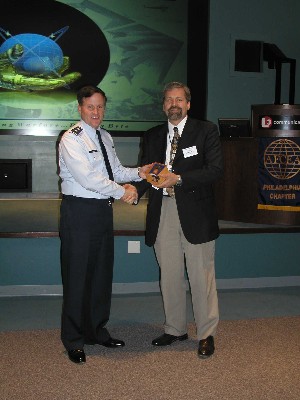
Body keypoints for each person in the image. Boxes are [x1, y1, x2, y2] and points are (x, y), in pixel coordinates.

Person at [58, 85, 148, 364]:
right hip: (79, 212)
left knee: (100, 274)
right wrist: (124, 192)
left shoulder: (105, 136)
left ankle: (96, 330)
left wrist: (140, 172)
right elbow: (88, 179)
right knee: (77, 277)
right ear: (80, 108)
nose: (96, 112)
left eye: (100, 107)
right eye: (90, 107)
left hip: (101, 211)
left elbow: (115, 171)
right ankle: (74, 339)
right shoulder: (71, 139)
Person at [134, 81, 223, 358]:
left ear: (188, 104)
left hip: (196, 212)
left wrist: (180, 178)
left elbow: (215, 170)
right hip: (163, 212)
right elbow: (148, 175)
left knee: (201, 275)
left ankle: (206, 333)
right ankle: (175, 328)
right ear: (163, 105)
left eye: (179, 99)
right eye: (169, 100)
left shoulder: (206, 131)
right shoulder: (152, 136)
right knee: (169, 274)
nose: (174, 104)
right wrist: (132, 191)